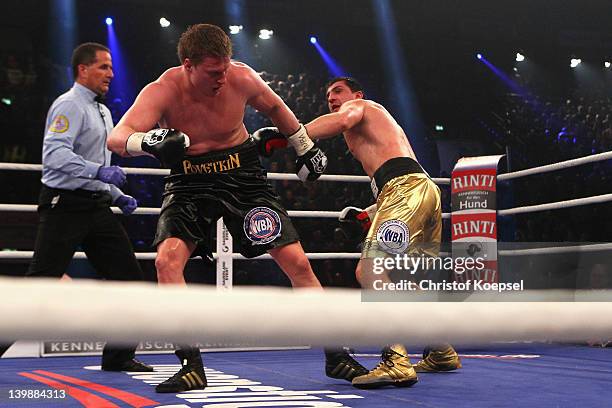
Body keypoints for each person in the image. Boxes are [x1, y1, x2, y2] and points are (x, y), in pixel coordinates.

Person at [106, 24, 361, 393]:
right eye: (213, 72)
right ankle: (190, 365)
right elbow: (117, 136)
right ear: (188, 65)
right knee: (166, 263)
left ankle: (337, 356)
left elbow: (275, 106)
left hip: (243, 176)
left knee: (298, 263)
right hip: (189, 181)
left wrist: (304, 145)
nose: (222, 78)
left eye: (225, 68)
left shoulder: (240, 76)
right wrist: (148, 141)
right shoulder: (162, 90)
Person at [257, 76, 461, 388]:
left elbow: (342, 121)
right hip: (418, 192)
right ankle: (440, 350)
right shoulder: (372, 132)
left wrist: (291, 136)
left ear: (357, 94)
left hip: (405, 191)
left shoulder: (360, 107)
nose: (332, 98)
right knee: (410, 279)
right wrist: (369, 213)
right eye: (327, 95)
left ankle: (396, 360)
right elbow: (395, 170)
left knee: (369, 271)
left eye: (337, 91)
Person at [0, 43, 152, 372]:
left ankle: (119, 355)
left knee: (129, 278)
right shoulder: (68, 105)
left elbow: (99, 166)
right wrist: (99, 172)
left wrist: (114, 194)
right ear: (83, 69)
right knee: (40, 284)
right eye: (103, 67)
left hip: (96, 207)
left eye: (111, 67)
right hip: (64, 206)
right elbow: (54, 157)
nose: (111, 73)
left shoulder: (103, 111)